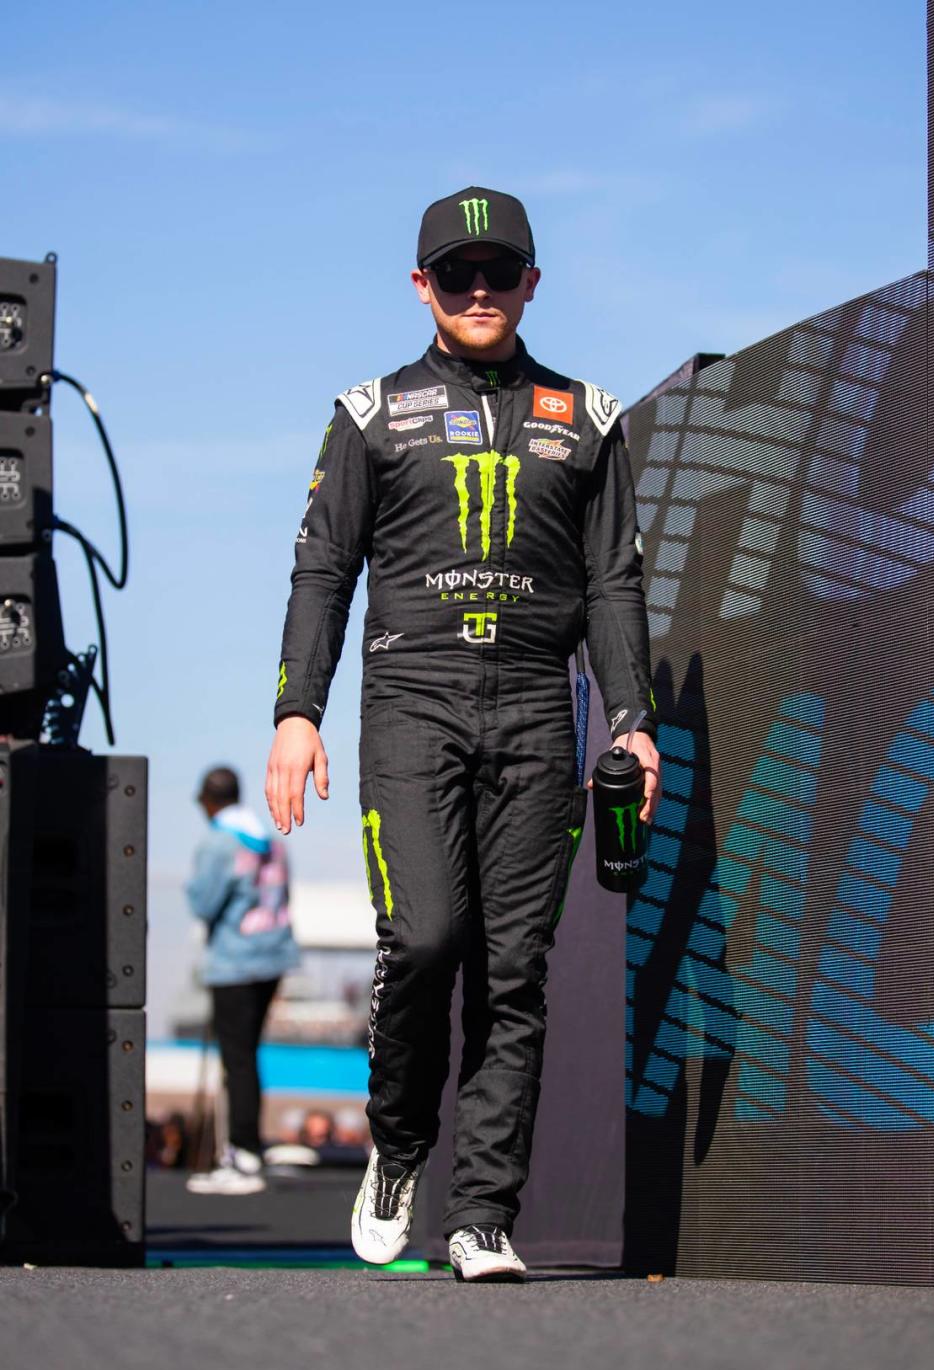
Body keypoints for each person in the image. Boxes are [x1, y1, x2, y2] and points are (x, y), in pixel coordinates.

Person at [265, 187, 661, 1280]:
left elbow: (615, 585)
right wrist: (297, 709)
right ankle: (399, 1146)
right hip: (413, 697)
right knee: (427, 938)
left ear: (533, 282)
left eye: (498, 272)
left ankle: (482, 1215)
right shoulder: (368, 413)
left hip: (540, 700)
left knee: (513, 969)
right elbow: (321, 571)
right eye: (456, 273)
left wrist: (632, 722)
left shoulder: (587, 416)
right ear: (421, 286)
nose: (478, 290)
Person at [184, 765, 300, 1194]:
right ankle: (248, 1145)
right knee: (248, 1056)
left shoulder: (219, 842)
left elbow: (203, 902)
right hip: (273, 954)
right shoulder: (270, 839)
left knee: (236, 1059)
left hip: (235, 961)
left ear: (210, 801)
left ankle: (243, 1153)